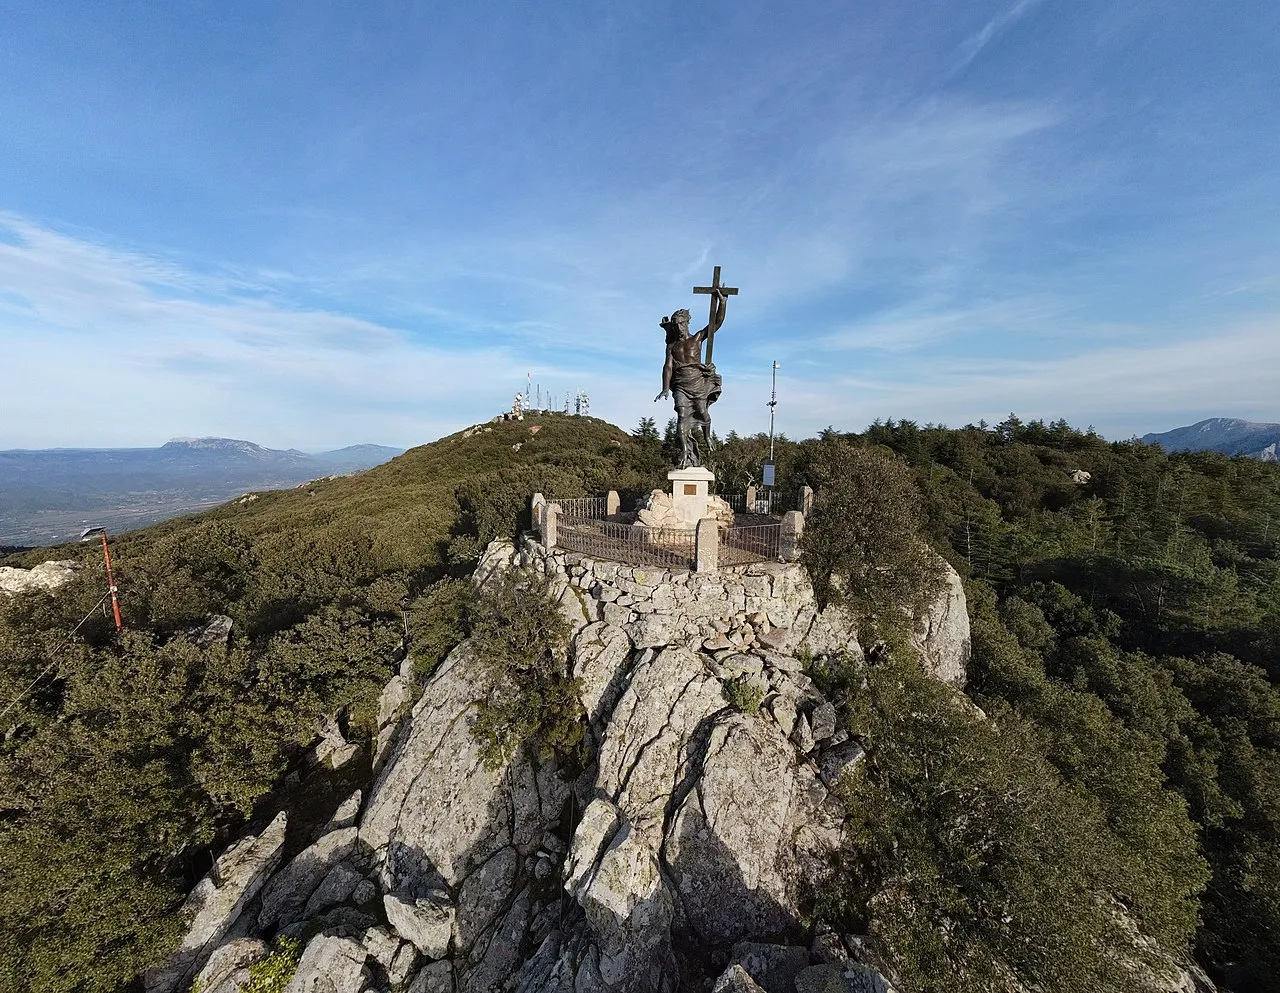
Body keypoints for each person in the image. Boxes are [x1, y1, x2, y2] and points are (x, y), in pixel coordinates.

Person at [654, 290, 728, 468]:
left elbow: (715, 324)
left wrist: (722, 303)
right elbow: (668, 366)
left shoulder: (697, 339)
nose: (679, 327)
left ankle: (707, 436)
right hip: (681, 385)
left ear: (687, 323)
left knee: (702, 414)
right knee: (681, 417)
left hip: (697, 382)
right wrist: (665, 387)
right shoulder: (672, 346)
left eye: (682, 323)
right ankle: (685, 454)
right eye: (676, 324)